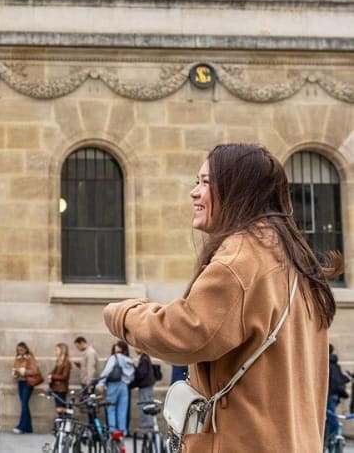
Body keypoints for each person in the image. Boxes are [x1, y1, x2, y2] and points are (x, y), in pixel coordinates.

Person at [103, 143, 338, 453]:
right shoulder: (292, 255)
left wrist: (122, 313)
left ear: (236, 189)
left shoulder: (242, 256)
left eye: (205, 183)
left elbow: (184, 333)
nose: (194, 193)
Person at [95, 340, 134, 435]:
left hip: (113, 384)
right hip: (124, 386)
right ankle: (122, 430)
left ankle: (113, 430)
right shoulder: (129, 360)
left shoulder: (114, 358)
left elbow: (106, 372)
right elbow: (132, 375)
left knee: (111, 407)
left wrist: (100, 383)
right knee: (122, 409)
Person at [12, 341, 42, 434]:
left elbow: (35, 371)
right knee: (24, 404)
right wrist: (16, 372)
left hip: (27, 383)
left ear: (25, 349)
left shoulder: (30, 358)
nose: (20, 351)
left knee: (24, 404)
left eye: (21, 349)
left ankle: (22, 426)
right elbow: (15, 367)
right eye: (18, 350)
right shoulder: (17, 358)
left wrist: (23, 371)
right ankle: (28, 427)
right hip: (20, 382)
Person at [327, 344, 350, 447]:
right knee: (330, 415)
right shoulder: (335, 364)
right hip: (336, 395)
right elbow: (342, 378)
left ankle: (334, 435)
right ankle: (333, 436)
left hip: (329, 395)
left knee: (330, 416)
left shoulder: (327, 363)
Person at [129, 348, 157, 429]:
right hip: (146, 386)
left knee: (145, 405)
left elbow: (141, 373)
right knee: (147, 404)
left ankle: (146, 425)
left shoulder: (144, 358)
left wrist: (135, 369)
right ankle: (147, 424)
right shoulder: (145, 358)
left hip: (145, 386)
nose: (135, 349)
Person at [48, 342, 72, 417]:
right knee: (59, 408)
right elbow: (53, 373)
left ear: (62, 350)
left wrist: (52, 376)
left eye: (57, 350)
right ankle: (62, 424)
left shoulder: (66, 363)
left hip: (61, 389)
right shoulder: (58, 362)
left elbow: (64, 376)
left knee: (61, 408)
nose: (56, 352)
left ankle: (64, 424)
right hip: (56, 388)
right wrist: (50, 376)